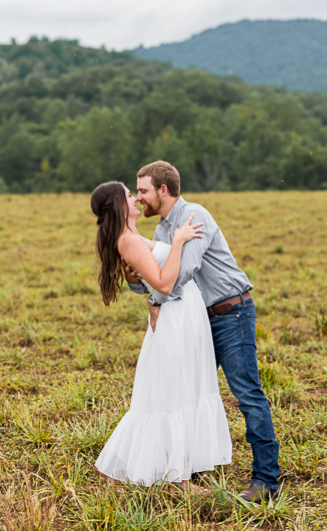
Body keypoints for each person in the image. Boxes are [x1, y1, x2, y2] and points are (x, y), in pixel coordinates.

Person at [126, 161, 281, 502]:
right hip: (196, 319)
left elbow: (180, 274)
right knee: (188, 391)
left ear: (163, 190)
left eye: (143, 191)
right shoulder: (163, 231)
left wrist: (155, 297)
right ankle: (189, 468)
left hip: (230, 313)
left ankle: (267, 479)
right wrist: (135, 278)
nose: (139, 198)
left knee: (247, 393)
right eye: (137, 192)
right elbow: (155, 281)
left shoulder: (194, 216)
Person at [90, 181, 232, 489]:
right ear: (118, 204)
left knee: (181, 388)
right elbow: (166, 284)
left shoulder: (132, 237)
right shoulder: (127, 241)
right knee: (172, 391)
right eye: (130, 194)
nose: (135, 198)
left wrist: (138, 279)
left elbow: (151, 278)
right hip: (174, 317)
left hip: (184, 314)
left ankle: (176, 467)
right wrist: (179, 241)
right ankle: (176, 480)